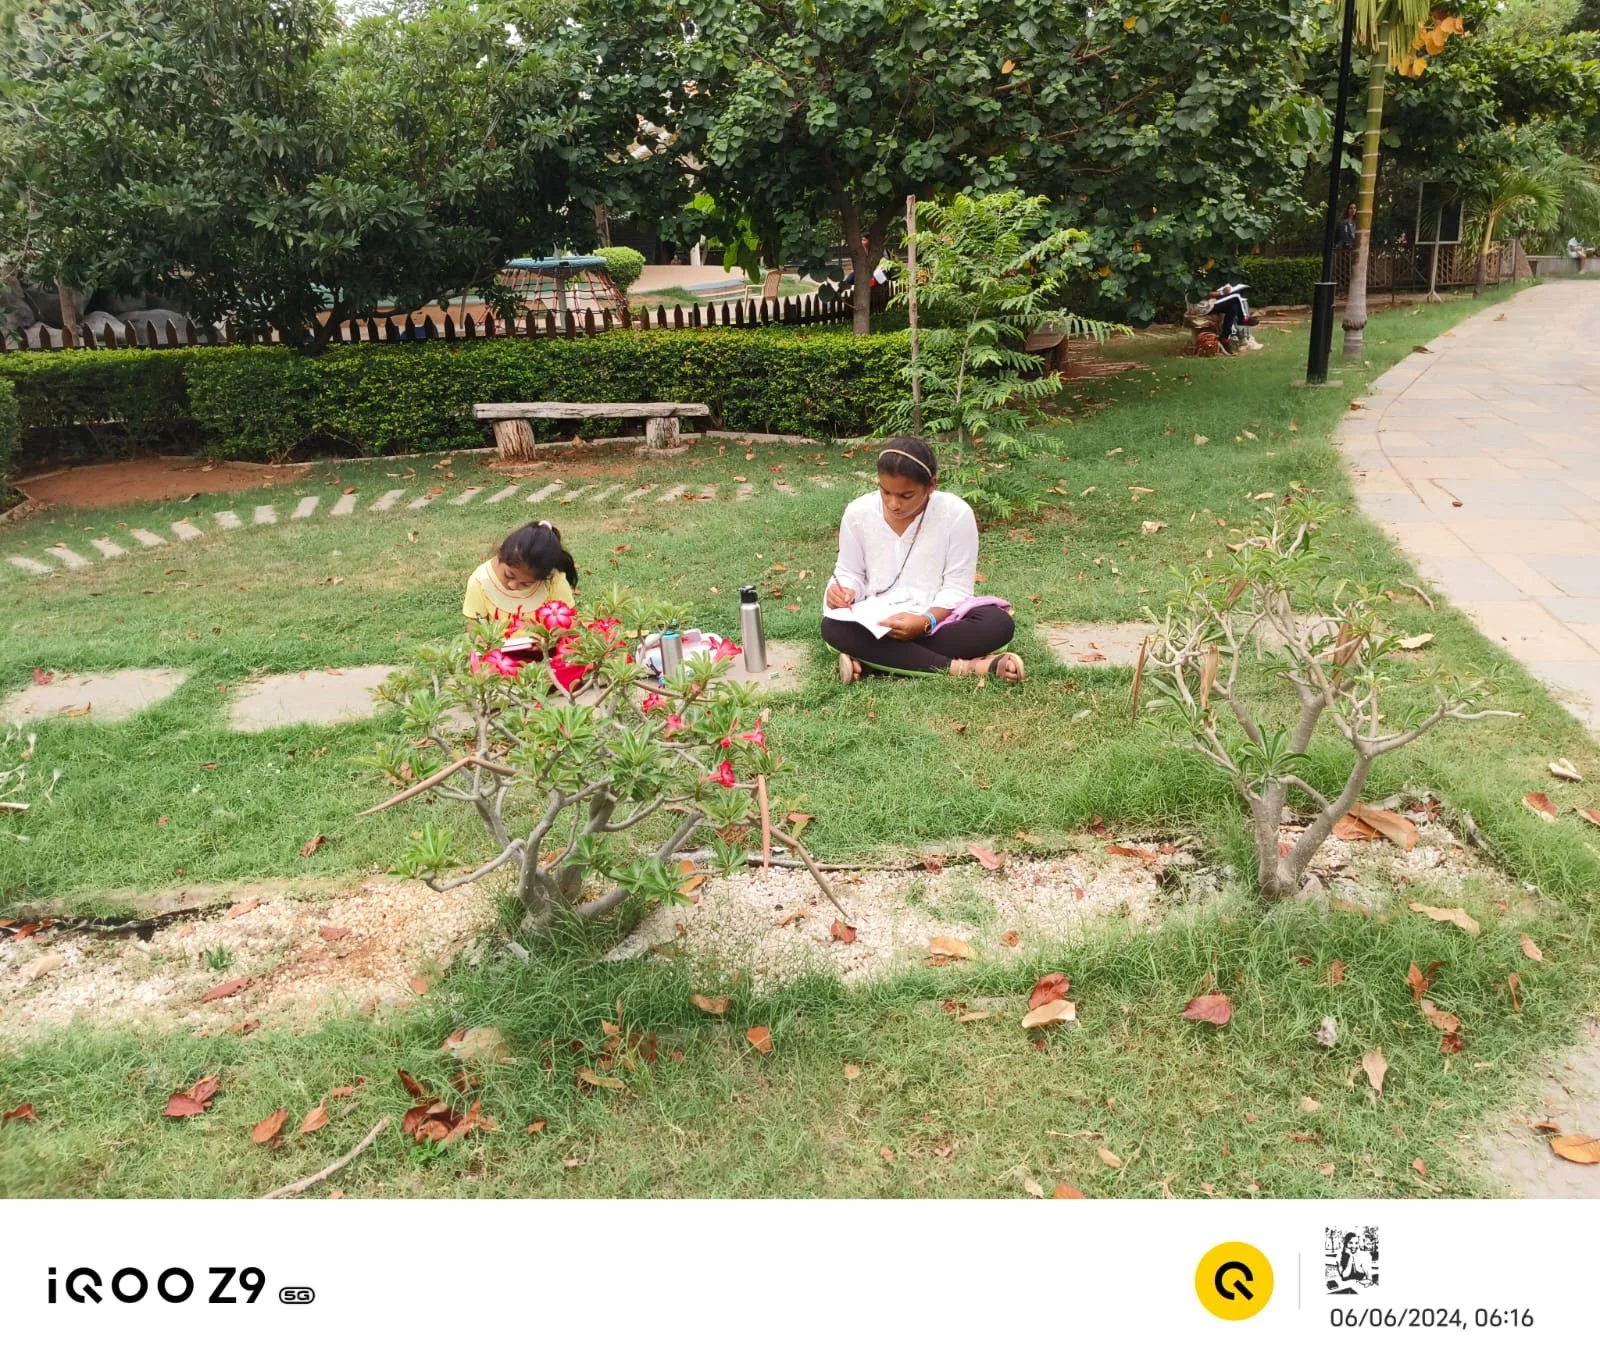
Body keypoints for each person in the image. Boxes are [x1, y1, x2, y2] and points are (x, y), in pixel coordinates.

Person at [822, 437, 1024, 683]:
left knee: (998, 624)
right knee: (833, 627)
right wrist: (844, 591)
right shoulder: (858, 513)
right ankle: (972, 667)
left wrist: (924, 621)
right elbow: (849, 572)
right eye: (885, 492)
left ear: (931, 486)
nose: (894, 504)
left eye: (906, 495)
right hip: (876, 620)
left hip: (938, 620)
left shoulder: (956, 514)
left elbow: (957, 587)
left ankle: (874, 660)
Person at [463, 520, 579, 635]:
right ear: (500, 553)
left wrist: (546, 639)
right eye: (508, 575)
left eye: (526, 583)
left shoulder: (554, 580)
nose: (512, 585)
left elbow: (571, 624)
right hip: (498, 651)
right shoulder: (480, 581)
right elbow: (474, 629)